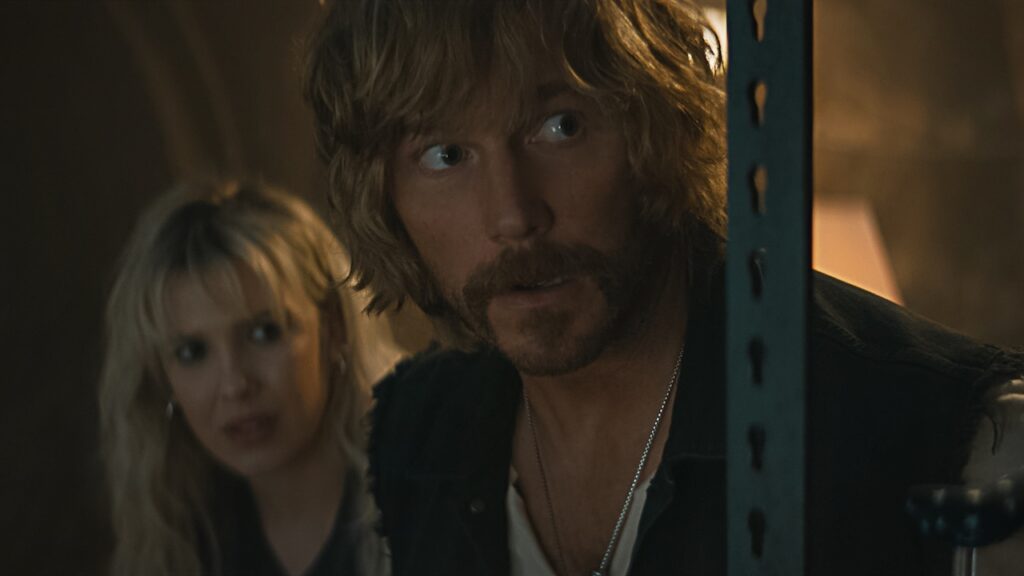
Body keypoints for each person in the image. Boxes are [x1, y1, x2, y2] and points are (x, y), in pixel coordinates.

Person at [304, 0, 1024, 574]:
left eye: (561, 126)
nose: (514, 216)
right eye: (445, 154)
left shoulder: (946, 439)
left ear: (654, 122)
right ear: (384, 193)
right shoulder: (414, 438)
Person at [99, 181, 395, 576]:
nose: (235, 384)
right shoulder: (183, 546)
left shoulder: (428, 487)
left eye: (264, 332)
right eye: (192, 352)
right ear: (162, 376)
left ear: (334, 329)